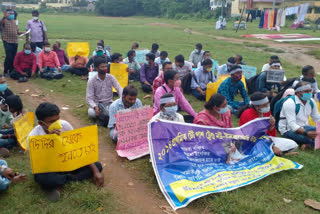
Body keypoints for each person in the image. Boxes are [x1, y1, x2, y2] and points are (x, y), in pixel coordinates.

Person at [28, 102, 104, 202]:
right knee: (42, 178)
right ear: (41, 123)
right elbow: (40, 163)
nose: (57, 123)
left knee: (97, 166)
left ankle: (60, 183)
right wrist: (50, 139)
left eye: (57, 119)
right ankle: (68, 179)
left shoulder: (65, 125)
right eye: (51, 122)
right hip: (50, 167)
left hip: (68, 162)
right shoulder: (33, 137)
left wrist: (96, 171)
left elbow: (78, 148)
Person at [279, 82, 320, 150]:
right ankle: (309, 143)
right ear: (298, 92)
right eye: (306, 91)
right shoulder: (290, 103)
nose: (309, 93)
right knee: (307, 138)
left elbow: (317, 118)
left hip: (304, 127)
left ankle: (309, 142)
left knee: (315, 133)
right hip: (288, 130)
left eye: (310, 91)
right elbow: (292, 125)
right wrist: (306, 133)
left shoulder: (311, 102)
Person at [86, 57, 123, 127]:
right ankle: (105, 117)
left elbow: (119, 88)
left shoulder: (111, 77)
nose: (105, 68)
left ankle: (105, 118)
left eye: (105, 66)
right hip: (97, 104)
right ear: (96, 68)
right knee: (91, 113)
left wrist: (122, 100)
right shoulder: (91, 81)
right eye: (102, 67)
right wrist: (95, 107)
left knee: (119, 110)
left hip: (109, 102)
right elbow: (89, 98)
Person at [0, 9, 21, 77]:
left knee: (14, 57)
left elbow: (17, 31)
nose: (12, 15)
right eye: (10, 13)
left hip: (15, 41)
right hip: (7, 41)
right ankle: (6, 71)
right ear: (7, 14)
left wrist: (22, 32)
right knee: (9, 56)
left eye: (13, 14)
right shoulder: (4, 21)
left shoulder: (14, 21)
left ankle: (11, 70)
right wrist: (4, 16)